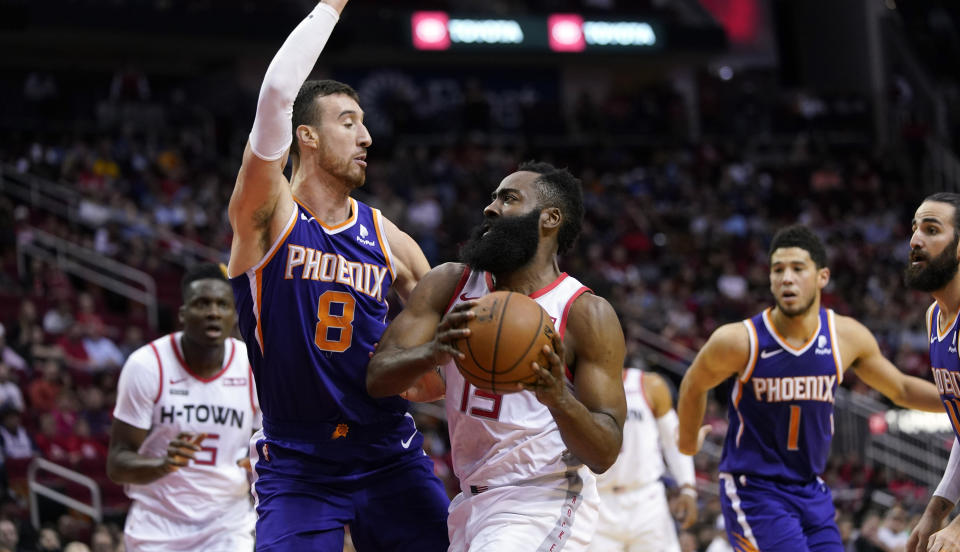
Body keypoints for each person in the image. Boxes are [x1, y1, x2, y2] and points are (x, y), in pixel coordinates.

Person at [225, 0, 448, 549]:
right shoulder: (267, 213)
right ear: (308, 136)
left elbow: (450, 349)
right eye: (349, 123)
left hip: (387, 447)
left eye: (365, 124)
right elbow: (277, 94)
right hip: (298, 458)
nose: (366, 137)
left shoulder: (388, 237)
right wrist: (329, 6)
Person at [366, 162, 628, 551]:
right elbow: (376, 379)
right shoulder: (449, 283)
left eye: (509, 198)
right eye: (492, 197)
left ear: (550, 218)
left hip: (543, 499)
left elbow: (604, 452)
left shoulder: (584, 313)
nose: (490, 208)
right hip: (470, 503)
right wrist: (432, 351)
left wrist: (559, 398)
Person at [676, 225, 942, 552]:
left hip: (811, 488)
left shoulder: (845, 335)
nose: (787, 278)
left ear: (822, 277)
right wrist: (687, 445)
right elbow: (693, 384)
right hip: (754, 489)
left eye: (798, 269)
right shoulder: (739, 340)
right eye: (778, 270)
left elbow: (900, 388)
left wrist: (954, 398)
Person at [107, 263, 260, 551]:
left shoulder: (253, 366)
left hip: (227, 523)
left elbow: (270, 447)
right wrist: (163, 464)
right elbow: (117, 464)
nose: (213, 312)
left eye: (222, 304)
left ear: (233, 314)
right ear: (182, 314)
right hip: (157, 523)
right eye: (202, 304)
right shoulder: (146, 365)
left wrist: (257, 461)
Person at [588, 368, 698, 552]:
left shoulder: (648, 385)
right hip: (598, 501)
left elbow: (672, 441)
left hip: (646, 500)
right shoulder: (580, 386)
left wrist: (688, 487)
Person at [904, 192, 960, 552]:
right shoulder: (934, 317)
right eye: (914, 229)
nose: (914, 240)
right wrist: (938, 508)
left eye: (931, 229)